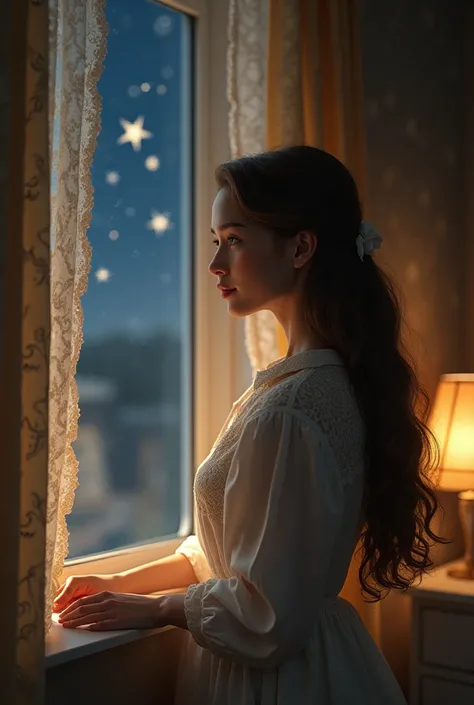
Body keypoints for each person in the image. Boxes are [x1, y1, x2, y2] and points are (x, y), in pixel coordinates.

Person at [55, 146, 447, 704]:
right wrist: (118, 582)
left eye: (234, 240)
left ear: (301, 247)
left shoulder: (293, 408)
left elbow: (266, 616)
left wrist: (155, 608)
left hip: (279, 683)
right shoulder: (303, 389)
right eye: (217, 241)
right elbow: (231, 552)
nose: (216, 264)